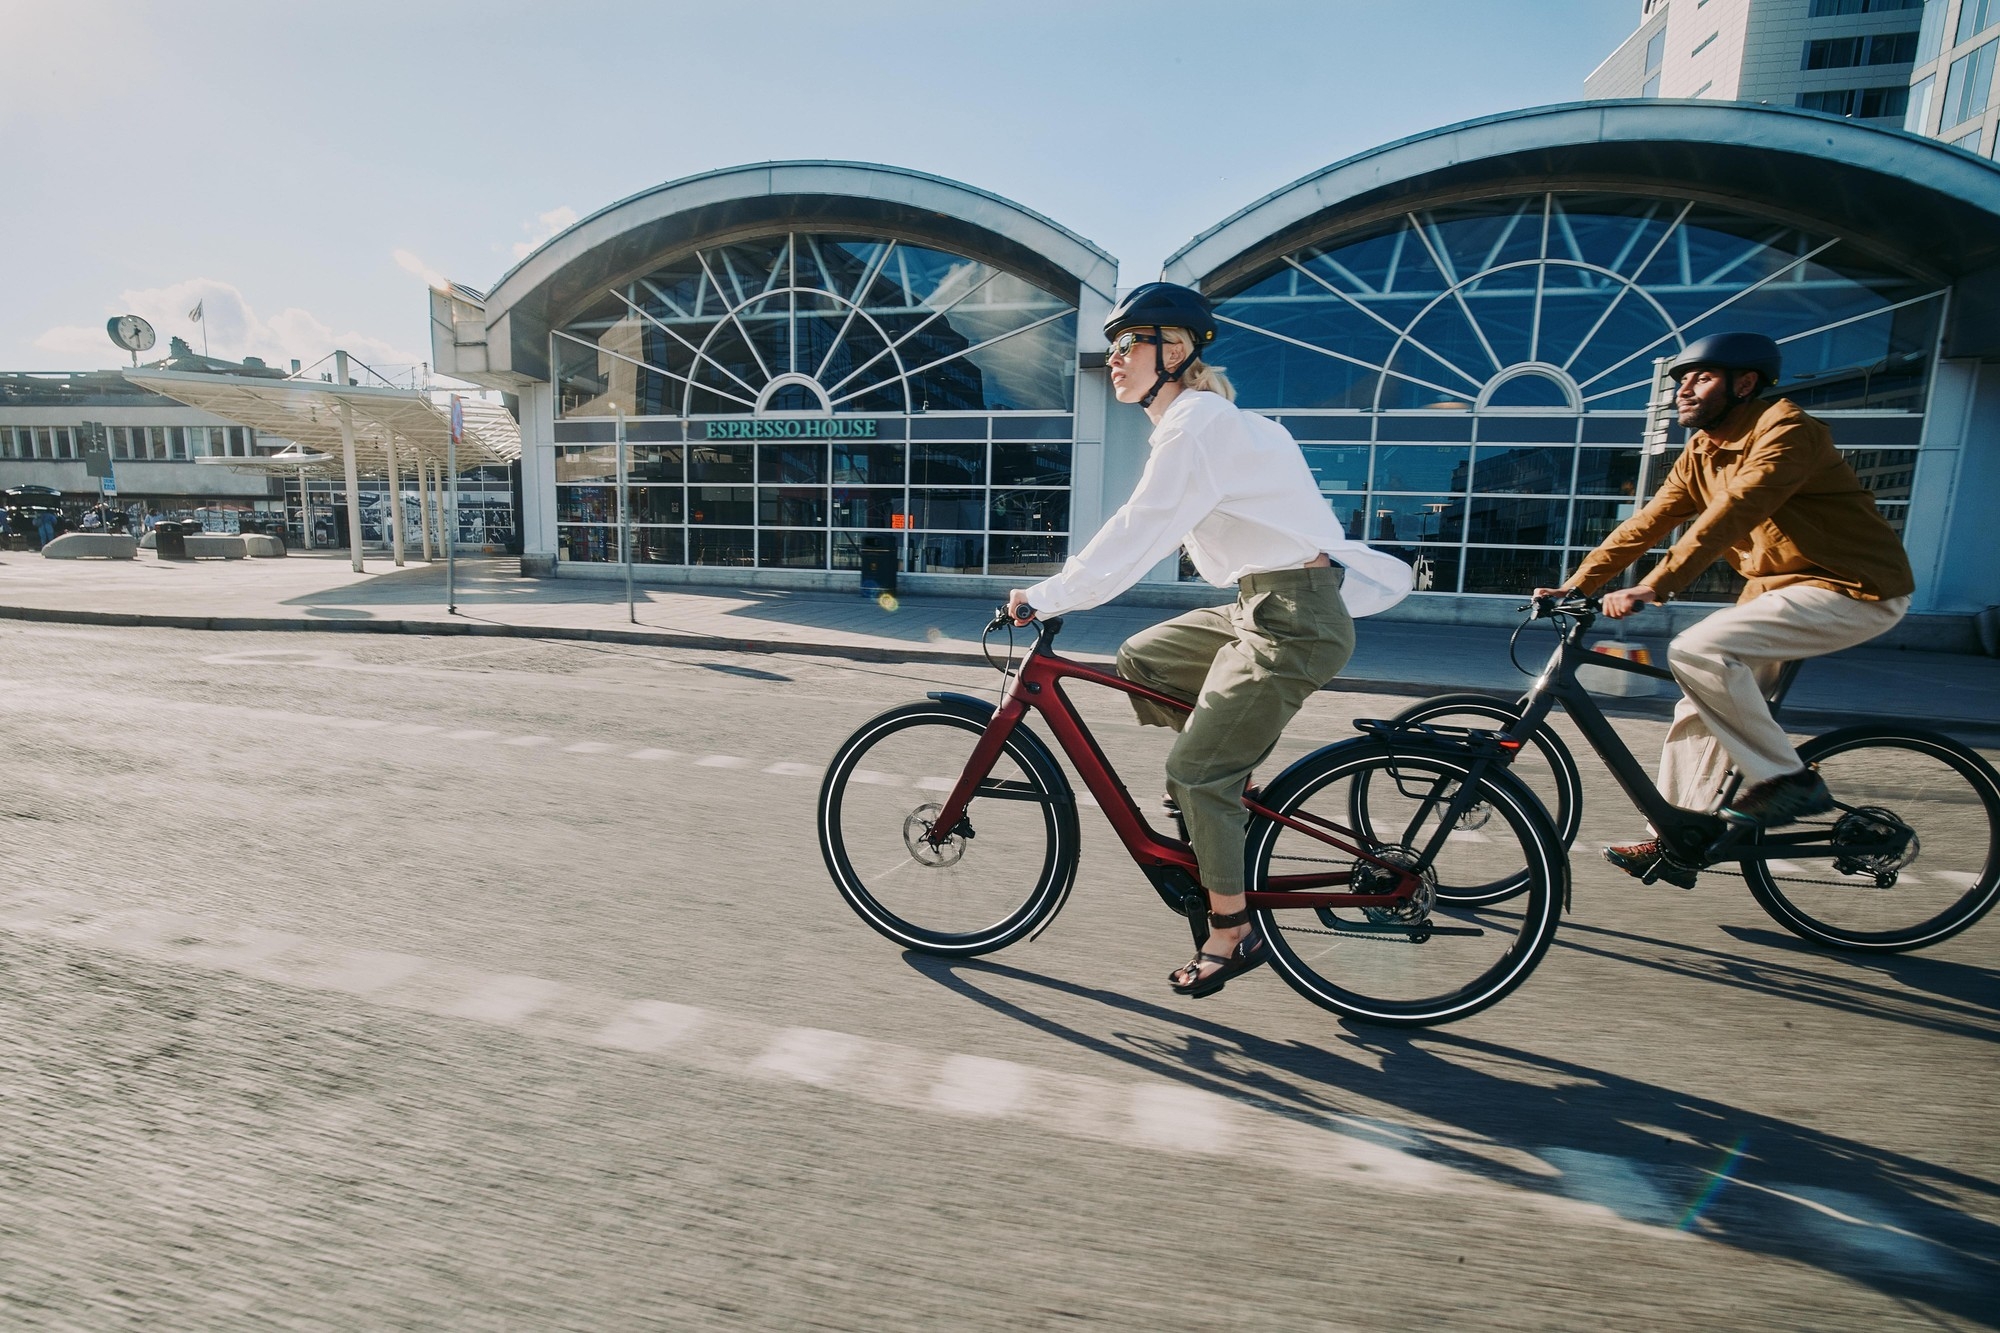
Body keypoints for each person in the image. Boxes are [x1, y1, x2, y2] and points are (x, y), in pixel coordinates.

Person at [1006, 283, 1412, 996]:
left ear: (1175, 349)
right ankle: (1234, 785)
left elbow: (1138, 533)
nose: (1115, 359)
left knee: (1195, 774)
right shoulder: (1205, 422)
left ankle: (1231, 929)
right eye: (1113, 346)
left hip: (1294, 617)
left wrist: (1047, 595)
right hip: (1260, 603)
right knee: (1143, 658)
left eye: (1128, 343)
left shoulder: (1197, 425)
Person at [1540, 332, 1914, 889]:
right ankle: (1675, 836)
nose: (1685, 389)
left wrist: (1656, 585)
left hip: (1851, 588)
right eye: (1681, 379)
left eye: (1702, 377)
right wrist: (1575, 584)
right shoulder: (1702, 451)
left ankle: (1789, 781)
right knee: (1698, 707)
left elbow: (1738, 511)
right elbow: (1648, 523)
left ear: (1746, 384)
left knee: (1696, 649)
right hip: (1775, 594)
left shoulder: (1788, 430)